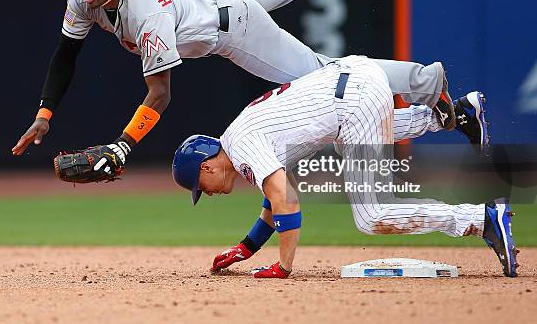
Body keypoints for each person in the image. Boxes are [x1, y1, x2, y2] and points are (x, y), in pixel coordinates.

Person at [11, 0, 457, 176]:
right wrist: (45, 113)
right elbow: (66, 53)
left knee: (326, 76)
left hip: (232, 27)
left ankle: (423, 80)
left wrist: (123, 145)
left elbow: (160, 94)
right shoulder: (83, 0)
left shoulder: (144, 14)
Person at [171, 56, 517, 278]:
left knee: (371, 216)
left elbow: (286, 201)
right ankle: (459, 115)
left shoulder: (240, 146)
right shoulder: (239, 139)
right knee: (351, 139)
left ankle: (482, 220)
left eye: (202, 189)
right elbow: (277, 195)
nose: (209, 194)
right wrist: (248, 247)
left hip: (352, 102)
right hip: (352, 82)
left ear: (206, 168)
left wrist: (283, 267)